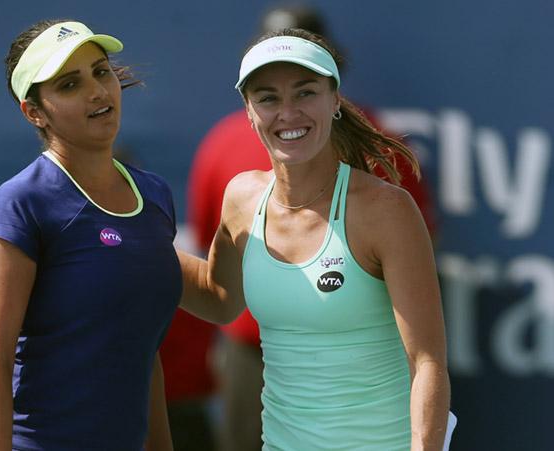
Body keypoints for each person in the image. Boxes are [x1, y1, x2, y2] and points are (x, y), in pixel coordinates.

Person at [178, 28, 451, 450]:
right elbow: (219, 298)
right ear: (249, 111)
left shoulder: (385, 210)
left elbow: (427, 362)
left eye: (305, 93)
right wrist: (133, 243)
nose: (288, 113)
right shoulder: (242, 198)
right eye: (268, 98)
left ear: (335, 99)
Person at [0, 19, 178, 450]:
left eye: (101, 72)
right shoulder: (18, 207)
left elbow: (144, 349)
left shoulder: (154, 195)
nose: (97, 91)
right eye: (69, 84)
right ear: (34, 112)